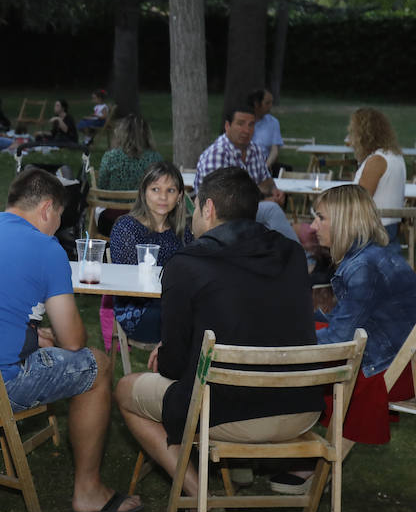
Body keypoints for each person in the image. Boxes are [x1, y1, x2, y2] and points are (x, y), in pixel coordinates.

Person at [0, 166, 140, 512]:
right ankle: (89, 491)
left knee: (20, 349)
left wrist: (34, 338)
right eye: (60, 217)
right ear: (47, 208)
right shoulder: (46, 249)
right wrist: (52, 338)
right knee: (97, 365)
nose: (58, 226)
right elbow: (74, 340)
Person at [115, 167, 322, 512]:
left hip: (229, 414)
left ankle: (203, 499)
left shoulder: (188, 264)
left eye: (194, 205)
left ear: (208, 208)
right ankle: (236, 471)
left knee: (126, 389)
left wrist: (169, 352)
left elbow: (176, 367)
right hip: (301, 407)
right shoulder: (292, 255)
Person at [260, 185, 416, 494]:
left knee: (289, 360)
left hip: (389, 370)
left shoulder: (363, 267)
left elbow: (340, 342)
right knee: (299, 329)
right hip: (403, 359)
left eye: (320, 218)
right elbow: (352, 322)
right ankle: (298, 451)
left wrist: (286, 346)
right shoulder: (371, 255)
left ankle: (307, 460)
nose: (312, 226)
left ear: (344, 222)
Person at [108, 162, 194, 344]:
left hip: (175, 304)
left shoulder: (183, 231)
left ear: (179, 196)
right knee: (195, 321)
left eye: (170, 190)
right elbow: (128, 284)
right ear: (144, 192)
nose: (163, 196)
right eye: (155, 189)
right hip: (138, 309)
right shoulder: (126, 228)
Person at [195, 101, 293, 242]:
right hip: (218, 215)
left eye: (251, 125)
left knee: (271, 214)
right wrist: (264, 199)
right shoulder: (216, 154)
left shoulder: (255, 150)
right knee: (271, 210)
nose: (246, 130)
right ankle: (300, 258)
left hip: (248, 211)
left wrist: (274, 192)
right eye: (240, 124)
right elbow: (221, 202)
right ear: (227, 126)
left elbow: (266, 181)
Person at [345, 107, 407, 243]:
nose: (350, 140)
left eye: (352, 133)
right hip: (389, 227)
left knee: (309, 235)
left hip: (373, 231)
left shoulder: (377, 161)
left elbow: (359, 202)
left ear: (363, 135)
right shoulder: (395, 156)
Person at [96, 114, 164, 191]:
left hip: (113, 202)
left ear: (121, 134)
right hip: (144, 203)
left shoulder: (110, 157)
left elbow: (101, 187)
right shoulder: (156, 158)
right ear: (146, 134)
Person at [249, 88, 284, 172]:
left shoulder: (273, 122)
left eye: (271, 102)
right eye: (267, 103)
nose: (271, 106)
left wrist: (265, 166)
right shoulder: (245, 121)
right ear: (256, 104)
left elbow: (274, 150)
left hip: (264, 165)